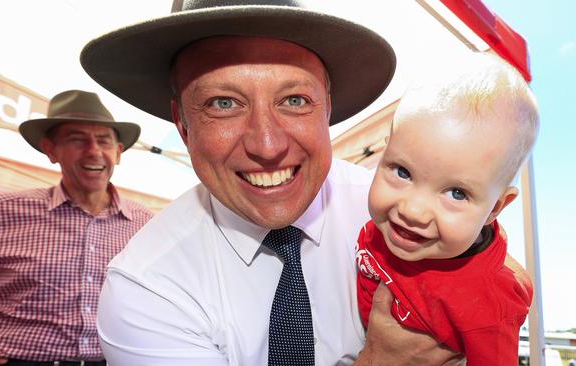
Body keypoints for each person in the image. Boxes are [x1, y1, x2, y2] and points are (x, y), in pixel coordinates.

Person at [79, 0, 465, 365]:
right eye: (223, 103)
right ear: (182, 125)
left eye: (295, 100)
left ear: (327, 108)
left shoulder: (397, 212)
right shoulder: (148, 286)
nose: (267, 145)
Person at [356, 52, 538, 365]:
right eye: (402, 171)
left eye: (456, 193)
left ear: (495, 209)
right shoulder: (386, 229)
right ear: (384, 153)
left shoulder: (488, 304)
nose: (413, 210)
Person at [0, 90, 153, 365]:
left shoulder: (146, 225)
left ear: (118, 153)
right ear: (50, 150)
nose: (93, 151)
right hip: (13, 360)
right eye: (77, 140)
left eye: (104, 141)